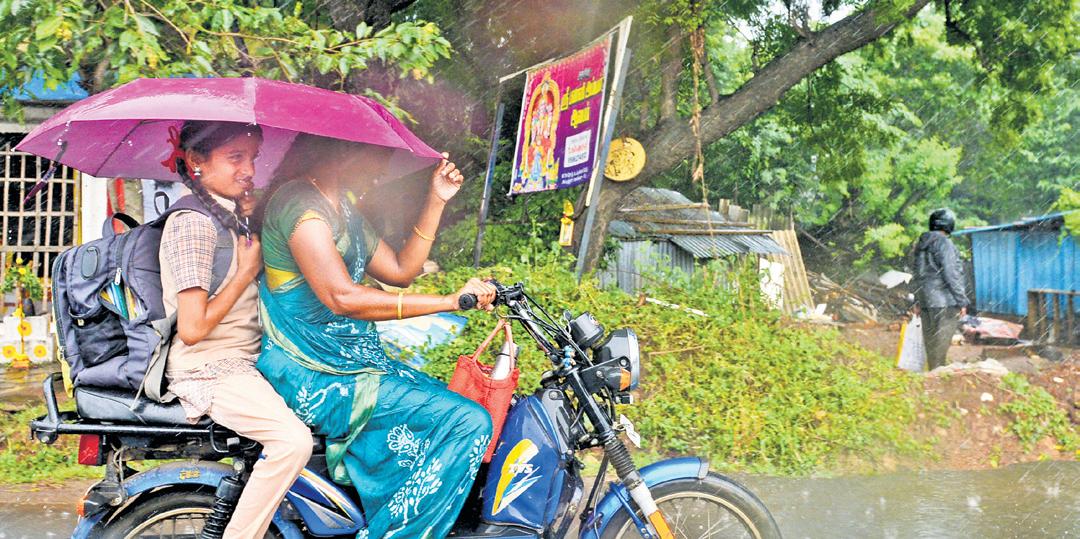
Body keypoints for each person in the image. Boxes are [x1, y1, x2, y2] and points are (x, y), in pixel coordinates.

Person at [255, 134, 495, 539]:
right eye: (379, 154)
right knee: (467, 421)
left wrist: (436, 199)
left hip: (352, 361)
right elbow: (342, 297)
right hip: (313, 369)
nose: (384, 167)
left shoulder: (342, 210)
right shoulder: (300, 206)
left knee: (452, 408)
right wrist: (450, 301)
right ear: (344, 150)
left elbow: (400, 270)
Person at [160, 121, 313, 538]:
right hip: (210, 367)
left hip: (248, 361)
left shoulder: (226, 217)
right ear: (196, 162)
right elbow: (192, 328)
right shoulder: (192, 222)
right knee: (292, 441)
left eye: (253, 158)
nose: (249, 169)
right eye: (235, 158)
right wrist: (246, 272)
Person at [912, 208, 968, 370]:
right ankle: (937, 377)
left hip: (925, 301)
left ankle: (932, 374)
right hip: (945, 302)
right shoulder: (944, 243)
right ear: (949, 225)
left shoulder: (920, 245)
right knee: (940, 345)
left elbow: (917, 273)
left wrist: (917, 300)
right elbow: (951, 274)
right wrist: (961, 300)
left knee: (930, 342)